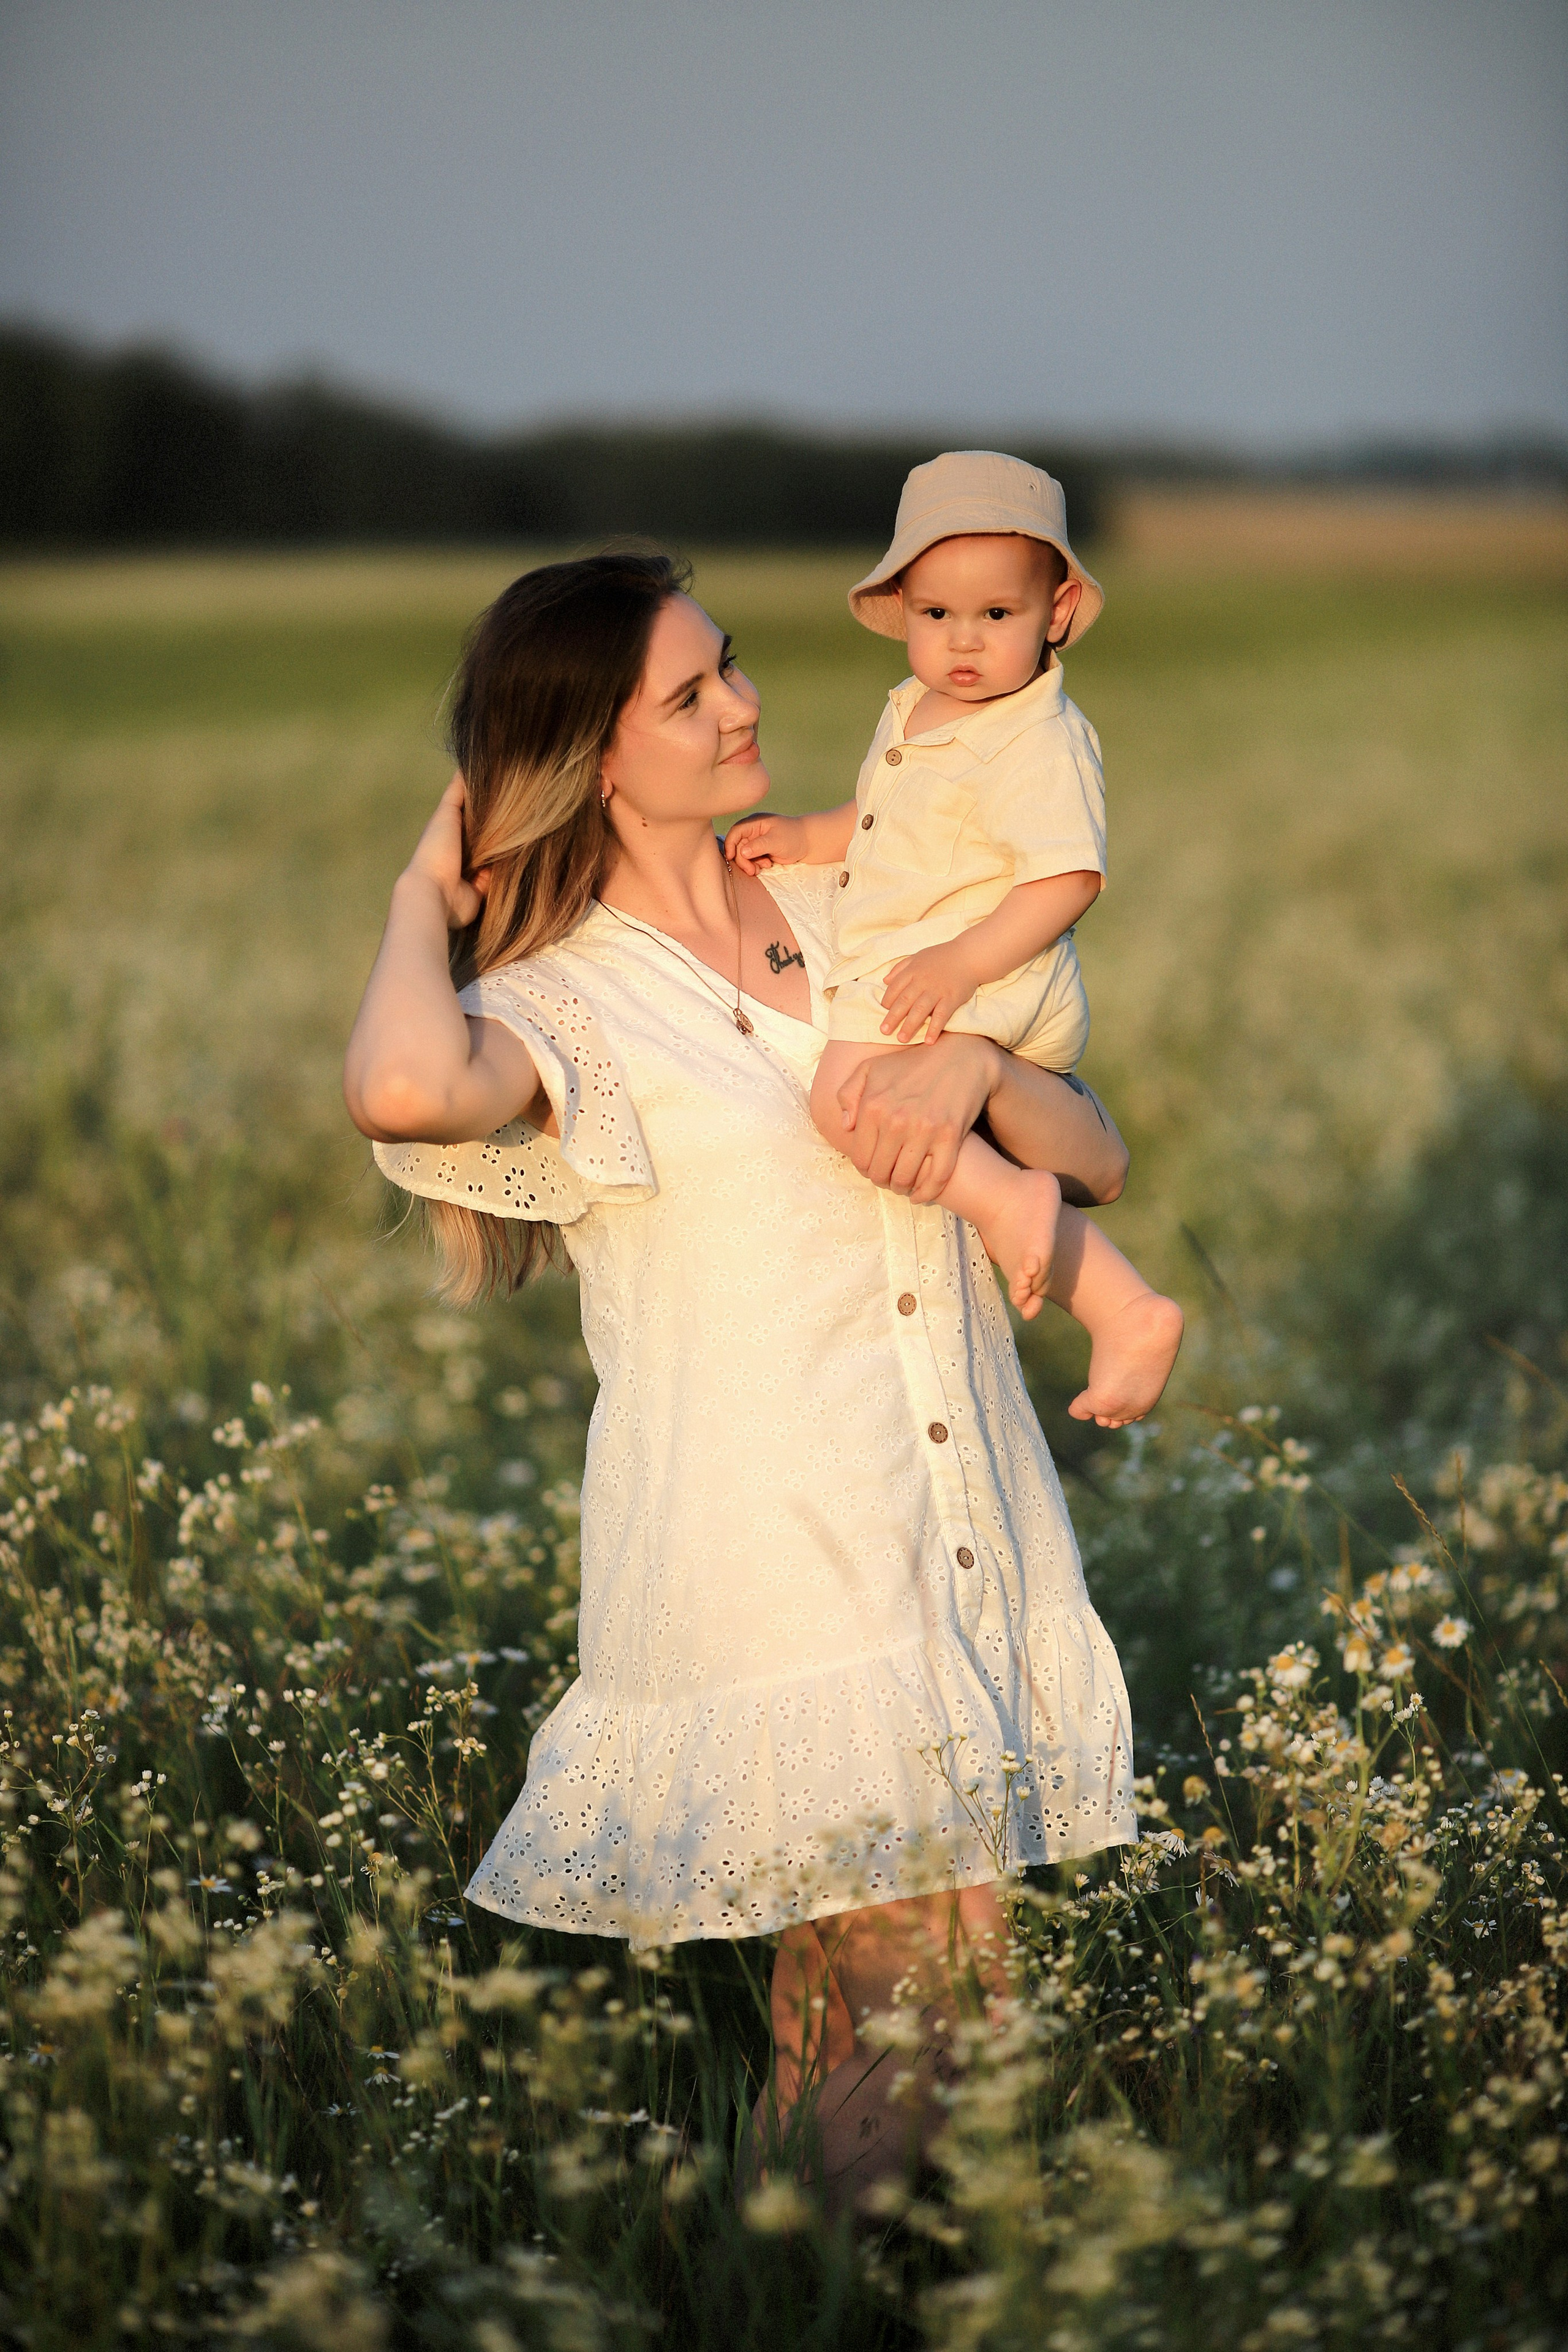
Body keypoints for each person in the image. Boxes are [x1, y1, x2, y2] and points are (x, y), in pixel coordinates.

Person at [344, 551, 1140, 2205]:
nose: (744, 704)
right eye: (689, 693)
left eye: (733, 665)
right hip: (785, 1561)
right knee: (928, 2003)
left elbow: (1094, 1157)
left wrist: (974, 1065)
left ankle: (784, 2289)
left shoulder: (865, 902)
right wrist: (428, 887)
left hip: (953, 1512)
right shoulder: (563, 1006)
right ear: (593, 757)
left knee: (866, 2014)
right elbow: (405, 1086)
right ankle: (824, 2290)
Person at [728, 450, 1183, 1429]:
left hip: (988, 969)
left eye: (997, 614)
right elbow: (887, 820)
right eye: (938, 614)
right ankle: (1117, 1299)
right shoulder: (915, 706)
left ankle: (1051, 1242)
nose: (964, 640)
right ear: (903, 608)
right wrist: (809, 837)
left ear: (1058, 611)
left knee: (846, 1103)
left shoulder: (1035, 735)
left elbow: (1067, 878)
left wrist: (961, 964)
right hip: (948, 966)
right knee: (878, 1111)